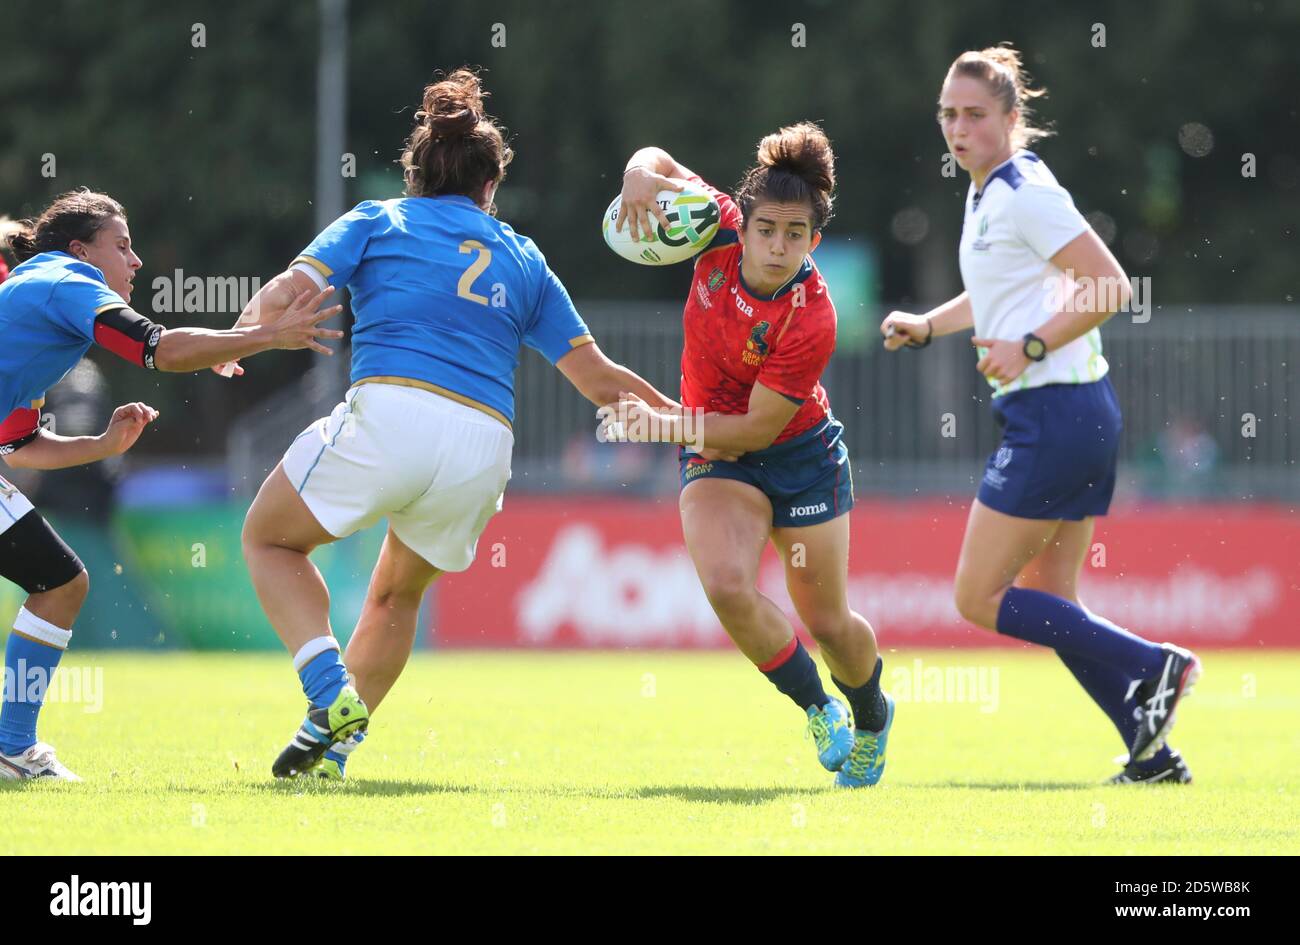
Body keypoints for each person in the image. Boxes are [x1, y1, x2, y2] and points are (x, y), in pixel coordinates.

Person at [234, 69, 681, 780]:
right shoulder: (523, 255)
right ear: (490, 186)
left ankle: (328, 691)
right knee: (395, 594)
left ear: (416, 174)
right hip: (481, 446)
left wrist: (241, 337)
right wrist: (688, 425)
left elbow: (290, 291)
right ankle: (333, 749)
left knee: (268, 538)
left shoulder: (379, 219)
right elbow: (601, 380)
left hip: (394, 414)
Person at [881, 44, 1200, 784]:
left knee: (977, 596)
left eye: (974, 115)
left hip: (1055, 417)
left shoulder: (1022, 189)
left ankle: (1155, 666)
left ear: (1011, 117)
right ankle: (1149, 752)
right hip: (1075, 414)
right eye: (947, 115)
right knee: (1053, 599)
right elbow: (1000, 293)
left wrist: (1028, 346)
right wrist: (930, 324)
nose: (957, 128)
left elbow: (1109, 285)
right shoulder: (989, 190)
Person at [0, 189, 341, 780]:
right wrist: (262, 336)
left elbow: (17, 443)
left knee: (58, 582)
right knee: (58, 582)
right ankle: (10, 746)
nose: (135, 261)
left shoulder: (42, 301)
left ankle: (11, 745)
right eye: (122, 246)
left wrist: (103, 446)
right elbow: (158, 347)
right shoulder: (67, 280)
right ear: (81, 250)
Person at [600, 123, 893, 788]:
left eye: (796, 234)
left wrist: (660, 425)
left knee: (828, 621)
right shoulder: (718, 226)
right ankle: (819, 707)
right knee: (727, 585)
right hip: (718, 457)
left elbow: (757, 427)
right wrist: (638, 177)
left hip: (798, 456)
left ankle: (872, 714)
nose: (778, 246)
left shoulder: (813, 313)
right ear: (746, 221)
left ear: (814, 240)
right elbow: (656, 156)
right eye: (768, 229)